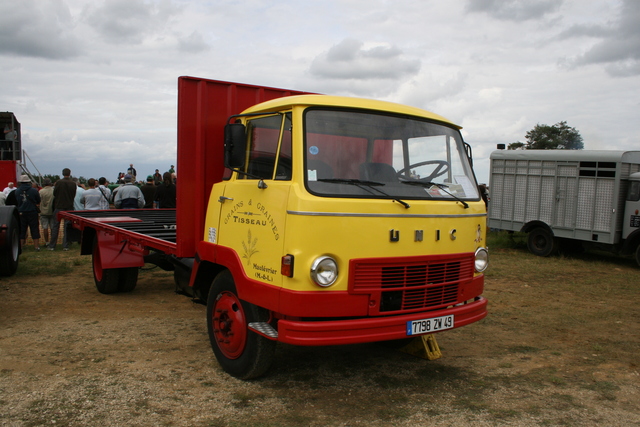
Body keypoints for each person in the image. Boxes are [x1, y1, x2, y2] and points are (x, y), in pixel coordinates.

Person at [49, 168, 77, 251]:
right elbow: (73, 194)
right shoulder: (73, 183)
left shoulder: (59, 183)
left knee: (55, 226)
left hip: (59, 206)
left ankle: (52, 245)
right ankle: (65, 245)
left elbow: (54, 193)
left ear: (62, 173)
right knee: (67, 227)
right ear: (70, 173)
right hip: (69, 207)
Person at [15, 175, 41, 251]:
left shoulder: (17, 191)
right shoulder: (34, 191)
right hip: (32, 212)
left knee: (22, 230)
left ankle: (21, 247)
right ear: (28, 182)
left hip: (21, 212)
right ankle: (36, 247)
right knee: (35, 229)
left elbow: (17, 201)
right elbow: (38, 201)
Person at [39, 178, 55, 246]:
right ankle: (52, 241)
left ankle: (47, 242)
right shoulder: (53, 191)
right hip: (52, 211)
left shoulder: (41, 191)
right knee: (52, 227)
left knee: (45, 228)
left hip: (43, 211)